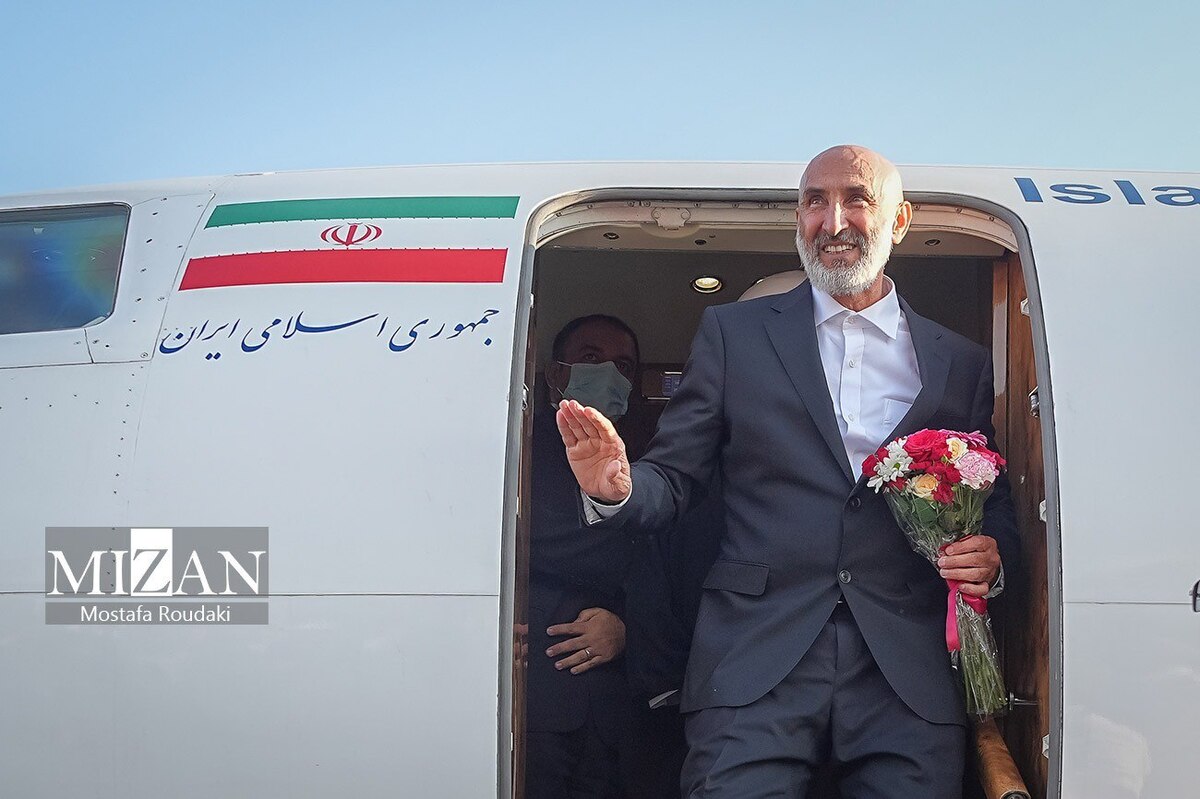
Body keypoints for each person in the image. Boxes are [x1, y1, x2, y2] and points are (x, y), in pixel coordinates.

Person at [556, 145, 1020, 798]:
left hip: (907, 672)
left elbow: (991, 500)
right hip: (753, 659)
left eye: (856, 199)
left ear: (900, 220)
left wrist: (992, 557)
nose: (833, 221)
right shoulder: (733, 335)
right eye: (814, 202)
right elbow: (676, 477)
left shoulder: (960, 361)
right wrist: (621, 487)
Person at [526, 315, 641, 799]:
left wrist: (628, 627)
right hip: (533, 702)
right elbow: (529, 542)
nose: (610, 373)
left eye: (623, 366)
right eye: (592, 358)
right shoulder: (518, 448)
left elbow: (674, 566)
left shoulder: (650, 462)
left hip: (615, 712)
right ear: (557, 374)